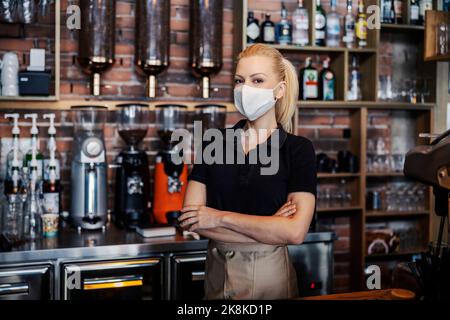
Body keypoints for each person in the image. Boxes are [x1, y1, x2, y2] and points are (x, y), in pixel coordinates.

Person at [178, 43, 317, 300]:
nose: (245, 89)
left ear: (279, 90)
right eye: (240, 81)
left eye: (258, 80)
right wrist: (270, 228)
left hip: (270, 280)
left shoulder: (298, 150)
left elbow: (294, 232)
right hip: (216, 276)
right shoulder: (214, 142)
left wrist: (218, 218)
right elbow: (191, 219)